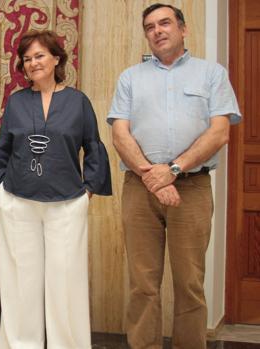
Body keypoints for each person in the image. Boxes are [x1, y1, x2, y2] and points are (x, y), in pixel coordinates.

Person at [108, 3, 241, 348]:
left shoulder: (211, 74)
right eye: (150, 26)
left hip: (192, 188)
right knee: (142, 284)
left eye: (165, 23)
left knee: (190, 284)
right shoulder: (129, 77)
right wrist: (152, 176)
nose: (157, 31)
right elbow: (120, 134)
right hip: (140, 190)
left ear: (183, 29)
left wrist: (174, 169)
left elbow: (219, 133)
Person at [0, 29, 112, 349]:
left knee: (65, 284)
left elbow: (94, 147)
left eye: (40, 55)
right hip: (18, 202)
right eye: (27, 59)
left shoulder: (77, 101)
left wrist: (87, 192)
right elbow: (1, 149)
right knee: (21, 283)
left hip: (67, 203)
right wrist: (0, 190)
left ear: (56, 58)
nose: (33, 63)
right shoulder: (16, 102)